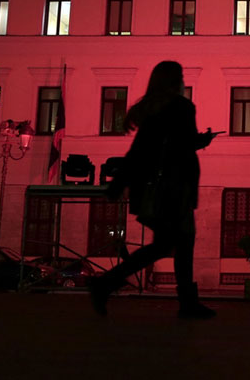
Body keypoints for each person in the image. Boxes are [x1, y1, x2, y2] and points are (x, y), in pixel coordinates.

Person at [89, 61, 220, 319]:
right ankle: (106, 284)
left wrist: (119, 183)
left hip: (158, 190)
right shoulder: (182, 107)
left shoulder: (153, 110)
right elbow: (182, 145)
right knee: (174, 244)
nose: (183, 80)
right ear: (175, 81)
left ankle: (184, 303)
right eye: (181, 76)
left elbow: (140, 150)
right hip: (176, 189)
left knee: (172, 244)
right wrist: (202, 140)